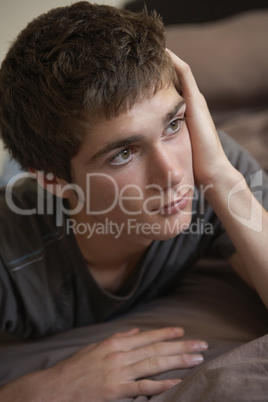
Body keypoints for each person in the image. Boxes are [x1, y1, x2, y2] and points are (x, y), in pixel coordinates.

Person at [0, 2, 267, 400]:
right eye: (124, 153)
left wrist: (222, 176)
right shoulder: (12, 260)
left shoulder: (208, 166)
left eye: (173, 124)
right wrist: (38, 391)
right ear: (53, 181)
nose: (173, 174)